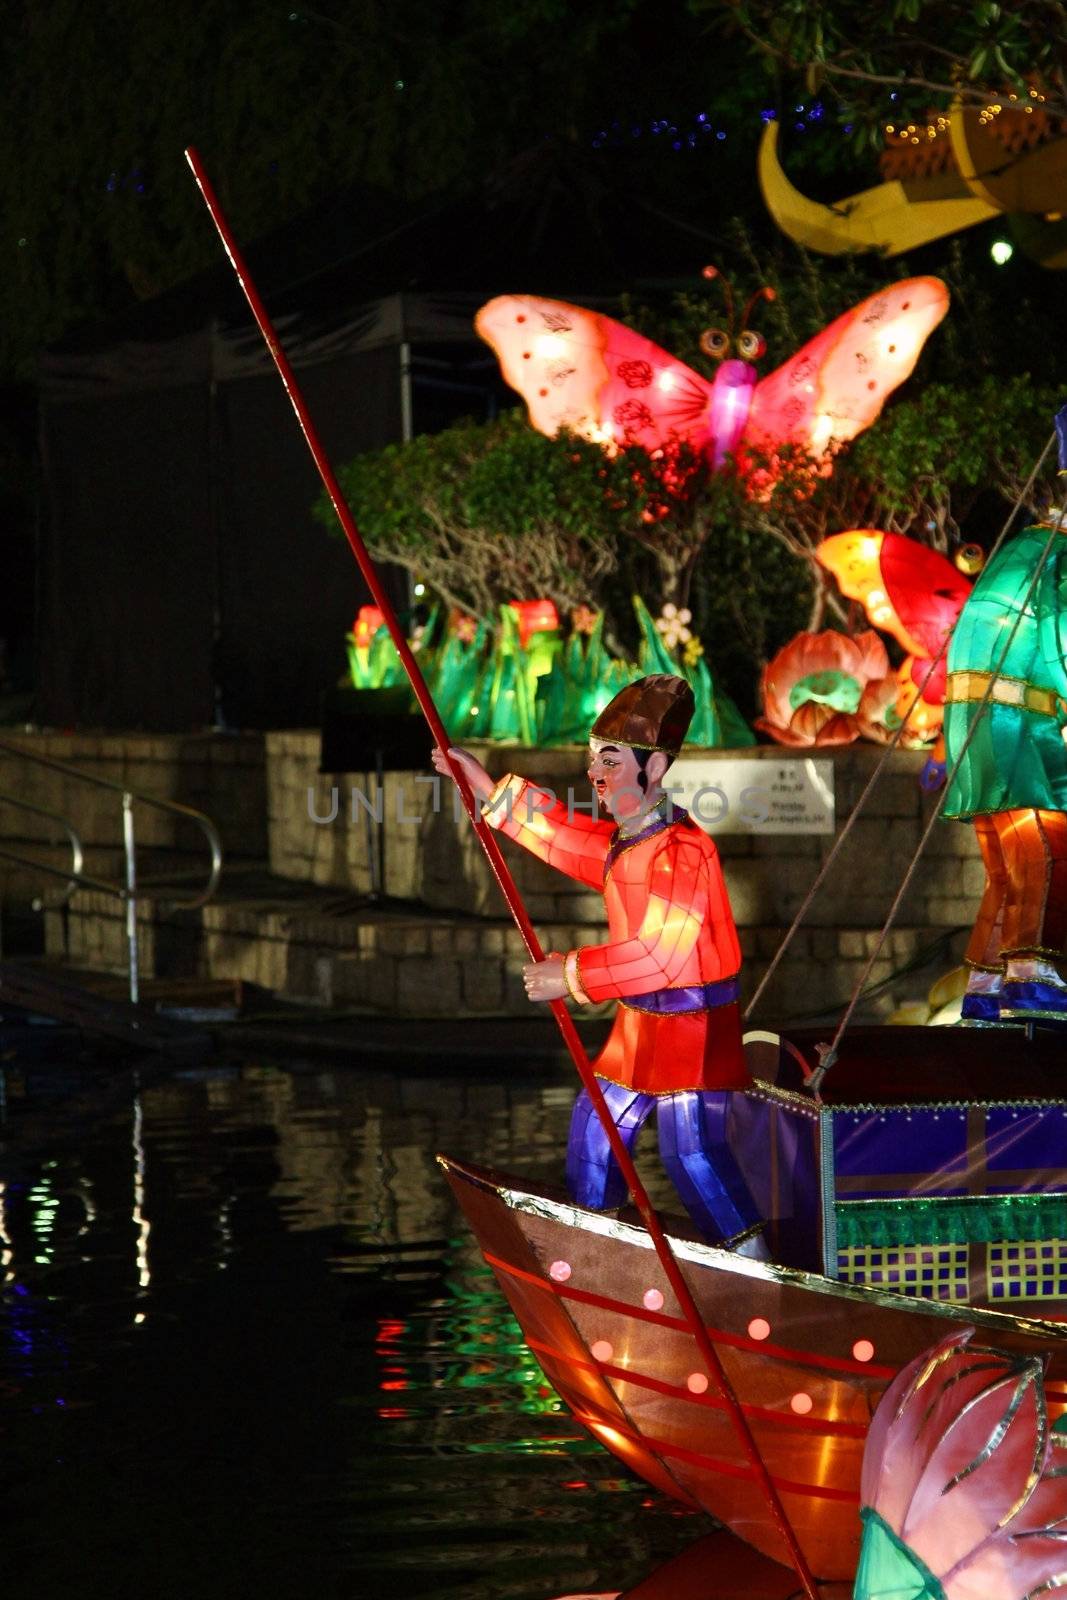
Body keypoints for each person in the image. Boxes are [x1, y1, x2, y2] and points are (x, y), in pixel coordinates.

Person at [432, 673, 767, 1256]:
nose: (596, 774)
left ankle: (753, 1265)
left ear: (655, 768)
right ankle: (598, 1249)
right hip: (638, 1024)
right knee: (597, 1128)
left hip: (694, 1029)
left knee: (691, 1154)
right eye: (594, 760)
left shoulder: (685, 852)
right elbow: (572, 840)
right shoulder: (629, 844)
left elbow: (662, 956)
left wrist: (569, 975)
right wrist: (493, 794)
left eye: (609, 761)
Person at [941, 472, 1067, 1026]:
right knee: (1047, 840)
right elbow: (1060, 637)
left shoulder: (1021, 547)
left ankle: (986, 980)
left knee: (1005, 860)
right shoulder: (1059, 556)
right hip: (1021, 720)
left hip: (973, 723)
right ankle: (1030, 975)